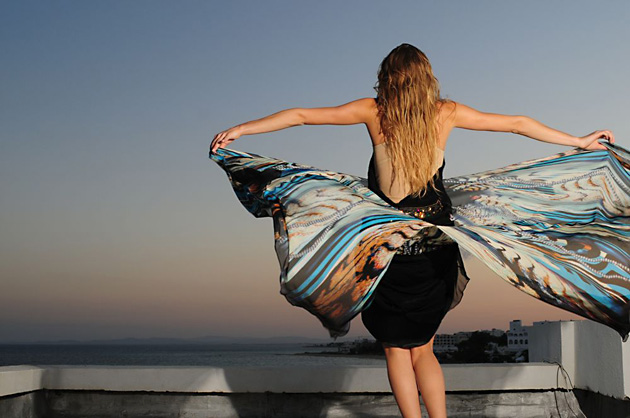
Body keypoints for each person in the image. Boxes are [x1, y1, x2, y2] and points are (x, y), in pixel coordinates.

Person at [210, 43, 614, 418]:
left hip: (385, 249)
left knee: (395, 351)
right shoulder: (445, 113)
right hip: (433, 248)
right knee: (424, 350)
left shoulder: (374, 111)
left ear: (386, 77)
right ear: (427, 77)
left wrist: (242, 130)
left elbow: (301, 116)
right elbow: (516, 124)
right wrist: (578, 141)